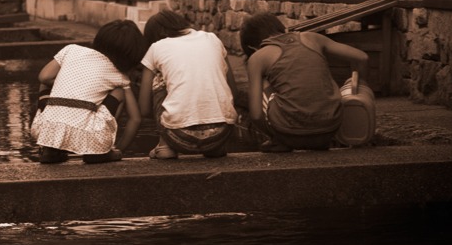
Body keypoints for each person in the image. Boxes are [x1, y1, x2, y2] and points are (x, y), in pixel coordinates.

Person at [240, 11, 369, 152]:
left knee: (263, 85)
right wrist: (360, 86)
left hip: (289, 135)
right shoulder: (313, 38)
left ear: (252, 48)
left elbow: (256, 115)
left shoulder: (258, 57)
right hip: (329, 130)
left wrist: (276, 136)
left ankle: (277, 142)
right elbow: (362, 58)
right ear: (281, 28)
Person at [31, 19, 144, 164]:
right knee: (119, 92)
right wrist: (120, 149)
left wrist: (69, 82)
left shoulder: (71, 50)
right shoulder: (120, 77)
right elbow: (135, 119)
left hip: (44, 129)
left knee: (45, 86)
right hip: (90, 136)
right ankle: (101, 151)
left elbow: (44, 77)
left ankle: (50, 150)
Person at [139, 10, 239, 159]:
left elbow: (144, 108)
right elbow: (233, 91)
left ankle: (164, 146)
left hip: (177, 136)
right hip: (221, 134)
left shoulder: (156, 47)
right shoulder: (212, 38)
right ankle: (214, 149)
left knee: (160, 79)